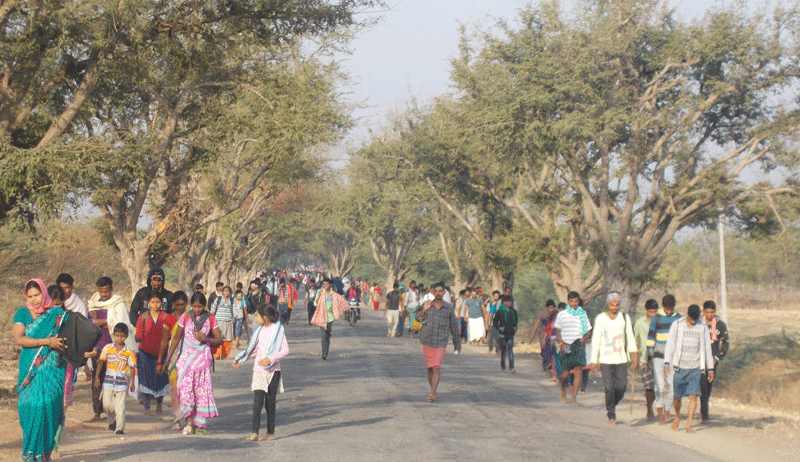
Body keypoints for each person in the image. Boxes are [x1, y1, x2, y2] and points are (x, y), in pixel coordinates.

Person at [12, 279, 68, 462]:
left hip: (53, 372)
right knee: (29, 410)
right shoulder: (22, 313)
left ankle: (43, 456)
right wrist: (47, 341)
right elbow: (19, 339)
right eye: (30, 296)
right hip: (30, 370)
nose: (34, 299)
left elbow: (71, 338)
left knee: (49, 409)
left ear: (44, 293)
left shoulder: (57, 314)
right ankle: (31, 456)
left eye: (37, 295)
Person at [165, 292, 222, 435]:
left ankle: (198, 423)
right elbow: (176, 338)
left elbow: (219, 340)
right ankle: (189, 421)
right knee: (184, 389)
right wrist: (168, 358)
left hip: (202, 360)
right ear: (191, 305)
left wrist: (205, 339)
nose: (197, 310)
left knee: (200, 391)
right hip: (186, 360)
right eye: (195, 306)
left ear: (204, 306)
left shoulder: (210, 318)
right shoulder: (185, 317)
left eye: (200, 307)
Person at [233, 304, 289, 441]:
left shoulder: (278, 331)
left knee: (270, 403)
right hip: (259, 370)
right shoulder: (259, 331)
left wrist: (270, 359)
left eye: (258, 315)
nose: (256, 317)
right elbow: (255, 350)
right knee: (257, 402)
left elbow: (285, 350)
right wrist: (241, 359)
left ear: (265, 317)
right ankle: (255, 432)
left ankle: (270, 432)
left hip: (273, 371)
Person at [588, 292, 638, 425]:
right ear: (608, 304)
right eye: (612, 305)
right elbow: (596, 339)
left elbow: (630, 336)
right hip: (606, 359)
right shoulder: (601, 319)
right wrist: (594, 360)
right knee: (609, 388)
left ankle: (611, 404)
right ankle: (611, 414)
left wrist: (634, 355)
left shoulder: (624, 318)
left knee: (621, 387)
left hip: (621, 359)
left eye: (617, 305)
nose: (615, 307)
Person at [664, 304, 714, 433]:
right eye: (691, 319)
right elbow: (670, 344)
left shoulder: (702, 327)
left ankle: (689, 424)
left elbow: (707, 348)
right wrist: (666, 363)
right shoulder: (677, 325)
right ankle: (678, 416)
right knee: (677, 397)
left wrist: (710, 369)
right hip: (679, 368)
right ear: (687, 315)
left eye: (695, 320)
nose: (693, 322)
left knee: (693, 396)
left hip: (695, 368)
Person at [415, 282, 461, 403]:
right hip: (427, 340)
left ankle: (432, 392)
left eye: (441, 291)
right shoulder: (427, 304)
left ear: (444, 292)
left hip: (441, 341)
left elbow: (454, 326)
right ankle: (433, 390)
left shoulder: (449, 308)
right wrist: (424, 310)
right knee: (430, 368)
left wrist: (457, 344)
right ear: (432, 292)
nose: (438, 293)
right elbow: (417, 318)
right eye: (436, 291)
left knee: (436, 366)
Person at [95, 323, 137, 434]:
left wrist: (132, 382)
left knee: (120, 407)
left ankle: (119, 428)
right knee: (107, 405)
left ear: (126, 336)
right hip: (108, 382)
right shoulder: (107, 348)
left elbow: (132, 367)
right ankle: (112, 421)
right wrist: (97, 377)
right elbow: (101, 361)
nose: (119, 338)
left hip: (121, 383)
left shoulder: (129, 352)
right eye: (117, 335)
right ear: (114, 335)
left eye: (122, 336)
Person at [647, 294, 682, 425]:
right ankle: (660, 413)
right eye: (667, 309)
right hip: (658, 357)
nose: (668, 311)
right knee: (660, 386)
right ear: (662, 306)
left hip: (673, 358)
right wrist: (650, 356)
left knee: (673, 387)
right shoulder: (656, 318)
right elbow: (651, 338)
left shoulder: (679, 319)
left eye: (670, 309)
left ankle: (667, 409)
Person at [135, 292, 171, 415]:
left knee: (160, 379)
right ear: (148, 303)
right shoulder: (143, 317)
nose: (155, 305)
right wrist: (136, 353)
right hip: (144, 353)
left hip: (161, 353)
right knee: (144, 379)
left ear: (162, 303)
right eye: (153, 302)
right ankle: (146, 407)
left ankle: (159, 403)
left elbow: (169, 337)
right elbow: (139, 335)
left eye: (158, 302)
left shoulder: (166, 317)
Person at [554, 291, 592, 405]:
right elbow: (558, 332)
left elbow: (588, 331)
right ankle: (563, 391)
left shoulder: (582, 314)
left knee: (578, 371)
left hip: (578, 345)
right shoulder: (562, 315)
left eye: (576, 301)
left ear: (578, 301)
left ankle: (573, 398)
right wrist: (561, 344)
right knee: (565, 374)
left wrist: (584, 339)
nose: (574, 303)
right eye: (572, 301)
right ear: (568, 301)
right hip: (566, 345)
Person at [158, 291, 188, 430]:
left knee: (187, 388)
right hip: (174, 355)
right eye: (177, 305)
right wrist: (161, 360)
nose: (180, 307)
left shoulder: (191, 317)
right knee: (174, 388)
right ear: (173, 305)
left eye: (182, 304)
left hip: (189, 355)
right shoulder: (169, 319)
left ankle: (189, 418)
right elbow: (165, 340)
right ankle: (176, 419)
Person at [700, 300, 729, 424]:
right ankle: (704, 415)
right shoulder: (698, 324)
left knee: (708, 388)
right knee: (702, 388)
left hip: (712, 361)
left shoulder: (720, 325)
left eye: (712, 312)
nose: (709, 315)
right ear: (703, 311)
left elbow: (725, 345)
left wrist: (716, 359)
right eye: (707, 312)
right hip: (699, 361)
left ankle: (704, 411)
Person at [311, 278, 349, 360]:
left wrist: (335, 309)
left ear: (330, 285)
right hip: (321, 316)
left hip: (330, 317)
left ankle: (326, 352)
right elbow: (315, 303)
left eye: (327, 284)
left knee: (327, 335)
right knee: (323, 335)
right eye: (324, 284)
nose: (325, 286)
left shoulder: (334, 295)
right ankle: (324, 354)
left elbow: (342, 302)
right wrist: (319, 296)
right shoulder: (320, 293)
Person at [634, 299, 659, 421]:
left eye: (655, 312)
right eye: (650, 312)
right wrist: (635, 357)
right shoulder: (640, 323)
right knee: (649, 385)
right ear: (646, 310)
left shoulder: (661, 323)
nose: (653, 314)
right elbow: (635, 340)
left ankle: (658, 407)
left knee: (659, 385)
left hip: (658, 357)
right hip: (644, 358)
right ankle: (649, 409)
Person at [493, 295, 518, 373]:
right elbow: (495, 322)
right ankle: (503, 366)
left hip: (510, 333)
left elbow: (516, 321)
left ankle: (511, 367)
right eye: (508, 302)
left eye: (510, 302)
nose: (509, 303)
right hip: (502, 334)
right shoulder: (500, 311)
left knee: (510, 350)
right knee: (503, 351)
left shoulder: (513, 311)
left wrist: (515, 328)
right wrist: (499, 328)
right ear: (504, 302)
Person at [210, 285, 235, 359]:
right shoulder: (218, 299)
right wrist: (211, 318)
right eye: (225, 291)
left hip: (228, 322)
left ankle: (224, 355)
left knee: (228, 339)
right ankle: (216, 354)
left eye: (228, 291)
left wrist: (234, 318)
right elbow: (213, 309)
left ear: (230, 292)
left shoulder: (231, 300)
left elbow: (234, 309)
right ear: (222, 292)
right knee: (218, 337)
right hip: (219, 321)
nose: (226, 292)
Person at [532, 299, 556, 370]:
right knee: (544, 348)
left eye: (552, 308)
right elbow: (537, 324)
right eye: (549, 308)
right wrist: (533, 334)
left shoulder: (555, 314)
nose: (551, 310)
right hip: (543, 334)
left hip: (552, 333)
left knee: (552, 349)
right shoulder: (543, 314)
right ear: (546, 308)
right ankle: (545, 366)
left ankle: (551, 366)